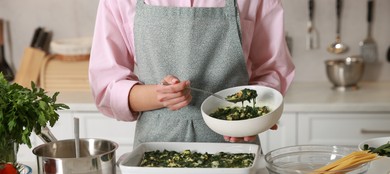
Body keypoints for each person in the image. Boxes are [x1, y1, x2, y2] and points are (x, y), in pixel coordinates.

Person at [89, 0, 295, 147]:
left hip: (235, 148)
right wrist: (158, 96)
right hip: (154, 152)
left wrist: (256, 115)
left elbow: (272, 70)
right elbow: (106, 88)